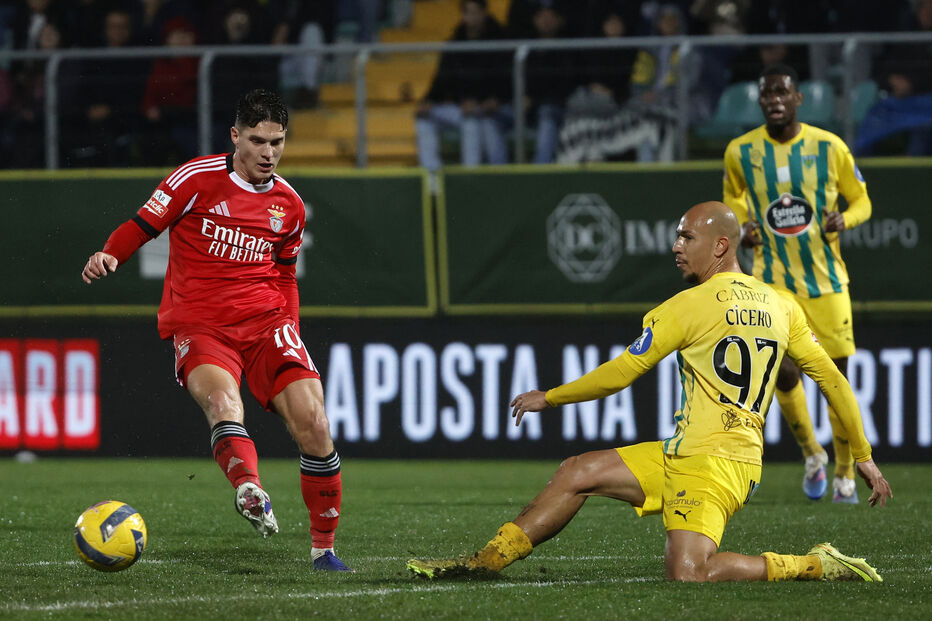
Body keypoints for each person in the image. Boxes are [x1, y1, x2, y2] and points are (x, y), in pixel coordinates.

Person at [407, 201, 892, 582]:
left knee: (689, 574)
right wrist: (863, 455)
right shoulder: (780, 304)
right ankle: (486, 561)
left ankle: (813, 565)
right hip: (695, 454)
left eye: (687, 236)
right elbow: (834, 381)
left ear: (721, 246)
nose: (676, 246)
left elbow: (621, 374)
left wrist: (549, 397)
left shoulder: (686, 306)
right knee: (577, 471)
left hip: (713, 465)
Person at [80, 89, 352, 572]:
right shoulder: (196, 179)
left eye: (278, 142)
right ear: (235, 136)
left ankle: (324, 551)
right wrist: (109, 254)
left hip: (268, 323)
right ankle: (249, 488)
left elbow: (285, 273)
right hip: (202, 323)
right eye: (258, 140)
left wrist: (288, 324)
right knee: (224, 404)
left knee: (316, 424)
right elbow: (143, 224)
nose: (269, 153)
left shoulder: (289, 205)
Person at [722, 64, 873, 504]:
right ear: (760, 100)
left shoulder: (830, 147)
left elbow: (862, 198)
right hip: (772, 284)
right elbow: (733, 196)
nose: (774, 100)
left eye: (781, 92)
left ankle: (845, 470)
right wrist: (741, 227)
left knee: (835, 379)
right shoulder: (740, 151)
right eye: (766, 93)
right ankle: (812, 454)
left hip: (827, 284)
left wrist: (847, 218)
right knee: (784, 371)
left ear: (798, 98)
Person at [415, 0, 510, 172]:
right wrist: (428, 101)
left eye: (475, 12)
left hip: (483, 108)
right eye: (467, 13)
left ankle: (469, 175)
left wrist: (482, 102)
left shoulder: (499, 41)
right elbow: (441, 81)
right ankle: (431, 175)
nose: (471, 17)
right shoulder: (455, 43)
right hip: (458, 107)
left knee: (471, 122)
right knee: (424, 119)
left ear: (484, 13)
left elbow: (503, 82)